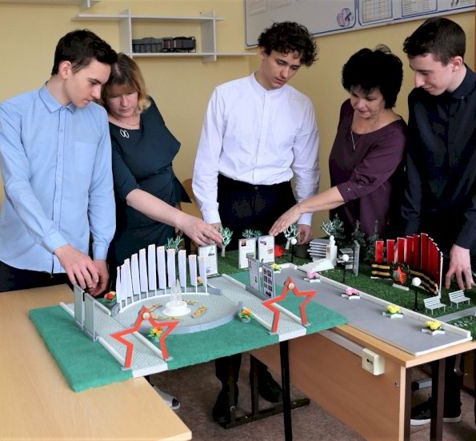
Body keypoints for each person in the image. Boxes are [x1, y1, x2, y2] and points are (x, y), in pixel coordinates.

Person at [192, 21, 320, 425]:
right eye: (280, 62)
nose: (285, 73)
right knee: (228, 294)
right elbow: (206, 162)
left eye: (294, 67)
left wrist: (305, 215)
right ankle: (227, 383)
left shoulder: (301, 105)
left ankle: (263, 370)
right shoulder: (226, 95)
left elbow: (307, 167)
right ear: (262, 52)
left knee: (272, 292)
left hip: (276, 202)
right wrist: (211, 219)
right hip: (229, 199)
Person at [401, 18, 476, 441]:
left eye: (425, 72)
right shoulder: (419, 99)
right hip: (430, 230)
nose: (418, 81)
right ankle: (445, 403)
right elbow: (415, 171)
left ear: (455, 63)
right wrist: (410, 237)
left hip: (475, 236)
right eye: (415, 71)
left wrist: (464, 243)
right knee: (433, 322)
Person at [100, 53, 222, 410]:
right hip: (130, 227)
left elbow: (165, 164)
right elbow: (128, 191)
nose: (125, 103)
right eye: (115, 96)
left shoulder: (149, 108)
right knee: (131, 311)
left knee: (162, 303)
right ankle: (138, 393)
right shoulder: (100, 127)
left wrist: (181, 218)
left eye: (130, 93)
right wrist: (184, 221)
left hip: (168, 222)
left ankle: (151, 377)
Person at [0, 30, 118, 296]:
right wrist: (61, 247)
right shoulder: (11, 113)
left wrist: (100, 254)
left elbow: (100, 188)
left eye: (102, 85)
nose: (98, 94)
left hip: (78, 265)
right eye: (93, 83)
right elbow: (17, 186)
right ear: (66, 69)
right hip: (18, 261)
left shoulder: (97, 118)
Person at [270, 46, 406, 240]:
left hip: (376, 233)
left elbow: (356, 185)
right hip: (341, 225)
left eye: (369, 99)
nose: (359, 104)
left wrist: (300, 208)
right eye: (354, 95)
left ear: (388, 96)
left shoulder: (395, 136)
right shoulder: (348, 111)